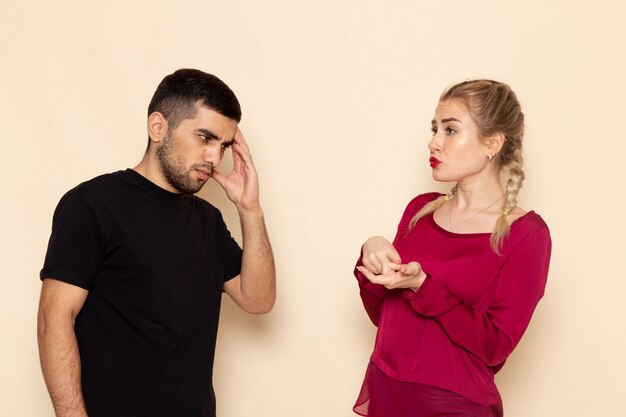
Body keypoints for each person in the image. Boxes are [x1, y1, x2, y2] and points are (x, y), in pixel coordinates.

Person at [37, 68, 276, 417]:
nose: (214, 157)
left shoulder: (208, 220)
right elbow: (53, 319)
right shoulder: (93, 205)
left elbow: (259, 300)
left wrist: (250, 209)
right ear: (158, 127)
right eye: (205, 138)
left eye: (224, 145)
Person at [352, 80, 551, 417]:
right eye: (435, 129)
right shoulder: (420, 210)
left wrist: (423, 287)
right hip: (388, 389)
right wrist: (371, 252)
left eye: (450, 130)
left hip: (452, 405)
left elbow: (495, 347)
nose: (433, 142)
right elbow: (383, 316)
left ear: (492, 142)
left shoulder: (526, 235)